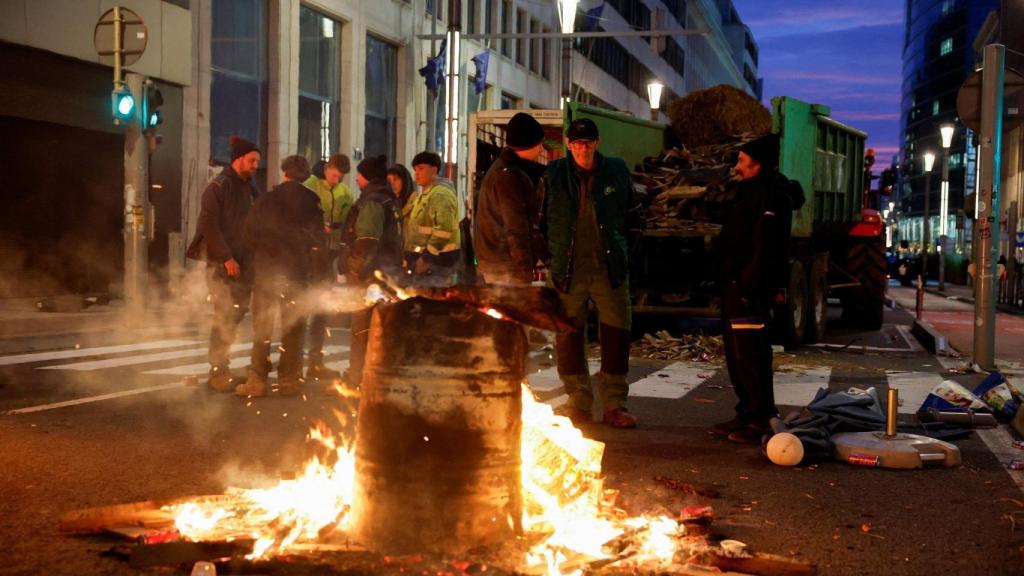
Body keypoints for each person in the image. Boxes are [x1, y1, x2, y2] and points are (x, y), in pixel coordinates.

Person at [540, 118, 636, 429]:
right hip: (568, 270)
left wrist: (623, 254)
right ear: (568, 144)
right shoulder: (554, 174)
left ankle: (614, 404)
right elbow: (538, 222)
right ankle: (578, 401)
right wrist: (551, 259)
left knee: (616, 334)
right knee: (568, 335)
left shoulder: (616, 171)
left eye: (589, 141)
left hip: (608, 269)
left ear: (597, 142)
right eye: (578, 142)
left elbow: (634, 217)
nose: (583, 147)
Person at [710, 133, 804, 443]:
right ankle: (746, 412)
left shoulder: (771, 195)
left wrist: (747, 284)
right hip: (736, 285)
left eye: (741, 160)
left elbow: (766, 247)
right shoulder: (750, 191)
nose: (736, 165)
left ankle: (760, 418)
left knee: (751, 355)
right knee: (737, 355)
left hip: (750, 290)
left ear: (758, 164)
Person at [235, 155, 325, 397]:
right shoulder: (312, 201)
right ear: (305, 176)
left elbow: (248, 234)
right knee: (293, 325)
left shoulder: (267, 199)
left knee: (262, 325)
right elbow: (319, 240)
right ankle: (289, 379)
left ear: (284, 172)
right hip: (296, 272)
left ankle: (257, 378)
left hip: (267, 271)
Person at [186, 135, 261, 393]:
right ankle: (217, 371)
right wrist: (226, 257)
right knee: (224, 313)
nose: (255, 166)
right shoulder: (218, 187)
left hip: (245, 262)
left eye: (257, 161)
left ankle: (223, 366)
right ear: (238, 160)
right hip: (222, 263)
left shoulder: (250, 188)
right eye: (252, 161)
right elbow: (209, 225)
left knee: (237, 312)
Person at [339, 155, 403, 388]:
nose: (356, 178)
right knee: (381, 328)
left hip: (369, 277)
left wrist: (354, 269)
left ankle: (358, 377)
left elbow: (366, 242)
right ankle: (379, 377)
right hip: (386, 275)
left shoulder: (373, 202)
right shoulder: (389, 200)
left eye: (359, 174)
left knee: (362, 329)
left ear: (366, 177)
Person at [474, 112, 548, 285]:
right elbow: (516, 228)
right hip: (505, 265)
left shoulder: (504, 170)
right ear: (527, 144)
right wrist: (524, 271)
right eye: (539, 144)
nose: (541, 149)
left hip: (498, 261)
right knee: (513, 309)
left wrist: (543, 257)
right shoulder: (509, 177)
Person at [303, 154, 353, 382]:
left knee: (321, 308)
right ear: (327, 168)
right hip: (309, 254)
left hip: (330, 254)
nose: (336, 180)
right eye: (334, 175)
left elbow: (350, 218)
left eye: (340, 177)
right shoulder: (310, 187)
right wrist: (316, 228)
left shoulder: (345, 192)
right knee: (303, 305)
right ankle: (294, 362)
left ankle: (315, 360)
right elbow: (299, 217)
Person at [405, 152, 461, 276]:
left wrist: (427, 258)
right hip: (426, 260)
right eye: (415, 170)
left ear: (434, 169)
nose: (416, 173)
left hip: (437, 262)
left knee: (431, 294)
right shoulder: (425, 195)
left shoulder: (440, 194)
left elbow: (443, 230)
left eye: (421, 169)